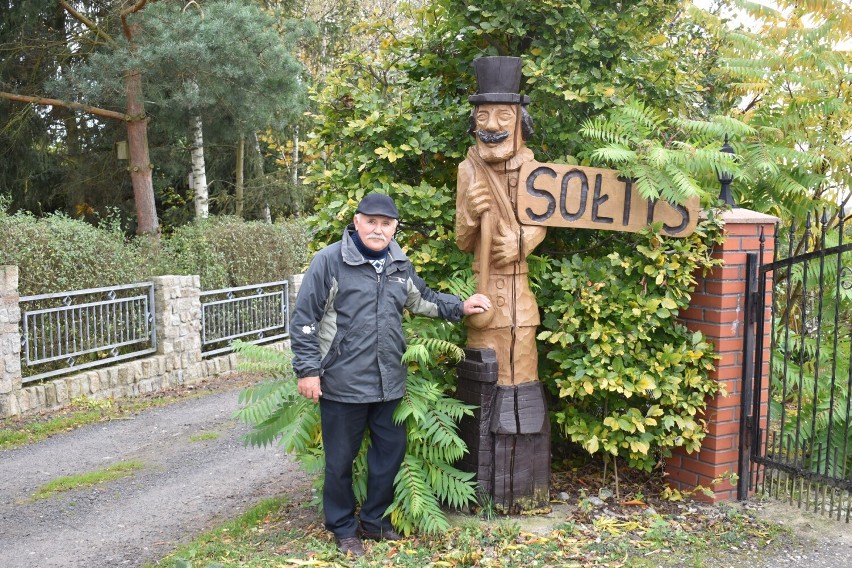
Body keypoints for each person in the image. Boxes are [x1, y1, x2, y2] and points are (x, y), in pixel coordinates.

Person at [290, 192, 491, 557]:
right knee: (339, 462)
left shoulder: (399, 264)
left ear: (395, 228)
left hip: (388, 383)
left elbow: (422, 299)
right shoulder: (329, 262)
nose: (378, 229)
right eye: (371, 221)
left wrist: (460, 306)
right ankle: (342, 528)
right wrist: (307, 372)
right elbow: (304, 321)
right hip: (341, 384)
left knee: (390, 455)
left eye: (386, 224)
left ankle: (374, 521)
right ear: (356, 221)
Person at [455, 55, 546, 386]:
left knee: (521, 375)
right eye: (483, 116)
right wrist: (469, 213)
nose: (492, 125)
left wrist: (523, 242)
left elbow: (543, 219)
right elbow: (463, 241)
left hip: (518, 295)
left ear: (520, 124)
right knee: (483, 378)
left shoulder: (534, 171)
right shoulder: (468, 169)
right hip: (484, 295)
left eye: (503, 115)